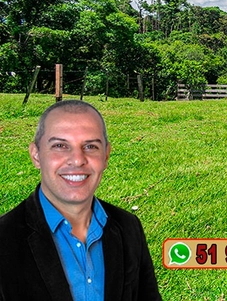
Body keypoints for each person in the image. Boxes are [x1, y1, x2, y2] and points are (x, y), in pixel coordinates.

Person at [0, 100, 162, 301]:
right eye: (60, 145)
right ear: (36, 155)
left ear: (106, 155)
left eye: (90, 146)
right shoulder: (4, 239)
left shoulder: (129, 227)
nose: (77, 160)